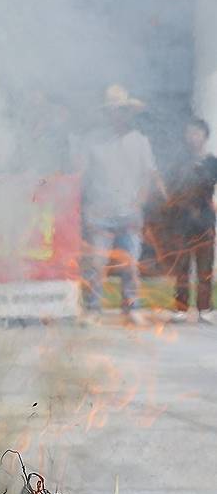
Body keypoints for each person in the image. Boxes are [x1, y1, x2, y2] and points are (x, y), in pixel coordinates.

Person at [78, 84, 166, 324]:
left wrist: (139, 203)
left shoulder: (140, 141)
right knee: (97, 264)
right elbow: (80, 174)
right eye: (114, 110)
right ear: (107, 113)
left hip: (129, 213)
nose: (119, 114)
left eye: (123, 110)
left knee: (131, 265)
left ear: (130, 113)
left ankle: (132, 308)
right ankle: (93, 310)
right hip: (100, 213)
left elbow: (148, 175)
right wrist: (84, 205)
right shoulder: (92, 141)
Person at [166, 117, 217, 324]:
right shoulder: (179, 162)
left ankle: (204, 309)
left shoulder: (212, 162)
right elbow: (171, 190)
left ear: (205, 136)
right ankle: (180, 308)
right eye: (189, 133)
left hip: (205, 222)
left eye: (196, 133)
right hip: (182, 221)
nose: (192, 137)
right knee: (182, 267)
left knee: (205, 268)